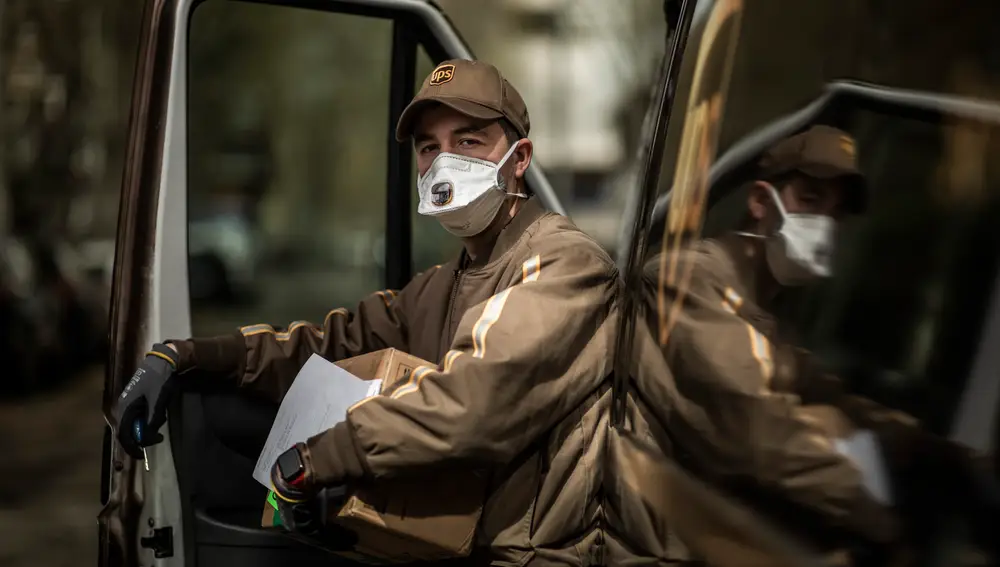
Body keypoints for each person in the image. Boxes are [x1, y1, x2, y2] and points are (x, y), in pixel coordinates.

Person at [113, 59, 620, 566]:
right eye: (429, 148)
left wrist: (313, 463)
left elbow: (472, 402)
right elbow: (329, 345)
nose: (445, 163)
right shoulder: (443, 285)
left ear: (519, 157)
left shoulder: (564, 264)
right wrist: (183, 356)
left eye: (468, 142)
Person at [641, 125, 911, 552]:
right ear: (760, 202)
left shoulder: (769, 317)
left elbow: (835, 398)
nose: (825, 226)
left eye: (836, 214)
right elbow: (758, 430)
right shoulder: (687, 279)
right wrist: (882, 522)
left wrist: (944, 454)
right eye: (810, 200)